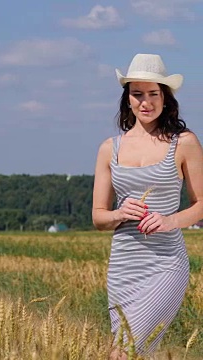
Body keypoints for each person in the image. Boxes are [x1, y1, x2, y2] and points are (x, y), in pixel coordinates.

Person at [92, 53, 203, 359]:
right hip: (123, 268)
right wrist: (118, 213)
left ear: (165, 98)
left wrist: (171, 221)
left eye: (153, 94)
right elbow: (98, 217)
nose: (145, 102)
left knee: (123, 352)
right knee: (142, 353)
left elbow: (201, 204)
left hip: (166, 264)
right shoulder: (108, 149)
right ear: (127, 99)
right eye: (137, 94)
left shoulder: (184, 143)